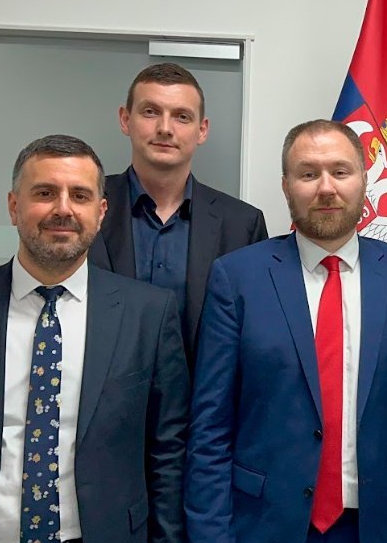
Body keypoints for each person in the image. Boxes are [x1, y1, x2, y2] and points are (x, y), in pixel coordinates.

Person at [185, 119, 387, 543]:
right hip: (264, 531)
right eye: (308, 174)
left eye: (341, 171)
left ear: (364, 180)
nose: (326, 188)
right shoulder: (238, 278)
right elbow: (210, 429)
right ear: (286, 185)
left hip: (382, 531)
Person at [0, 135, 189, 543]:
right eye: (44, 193)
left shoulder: (148, 313)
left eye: (80, 195)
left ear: (100, 211)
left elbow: (168, 452)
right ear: (14, 206)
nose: (63, 209)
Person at [89, 63, 268, 371]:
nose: (165, 128)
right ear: (125, 119)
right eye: (150, 112)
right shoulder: (84, 208)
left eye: (181, 116)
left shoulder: (242, 225)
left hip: (200, 411)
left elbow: (253, 338)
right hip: (102, 411)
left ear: (202, 130)